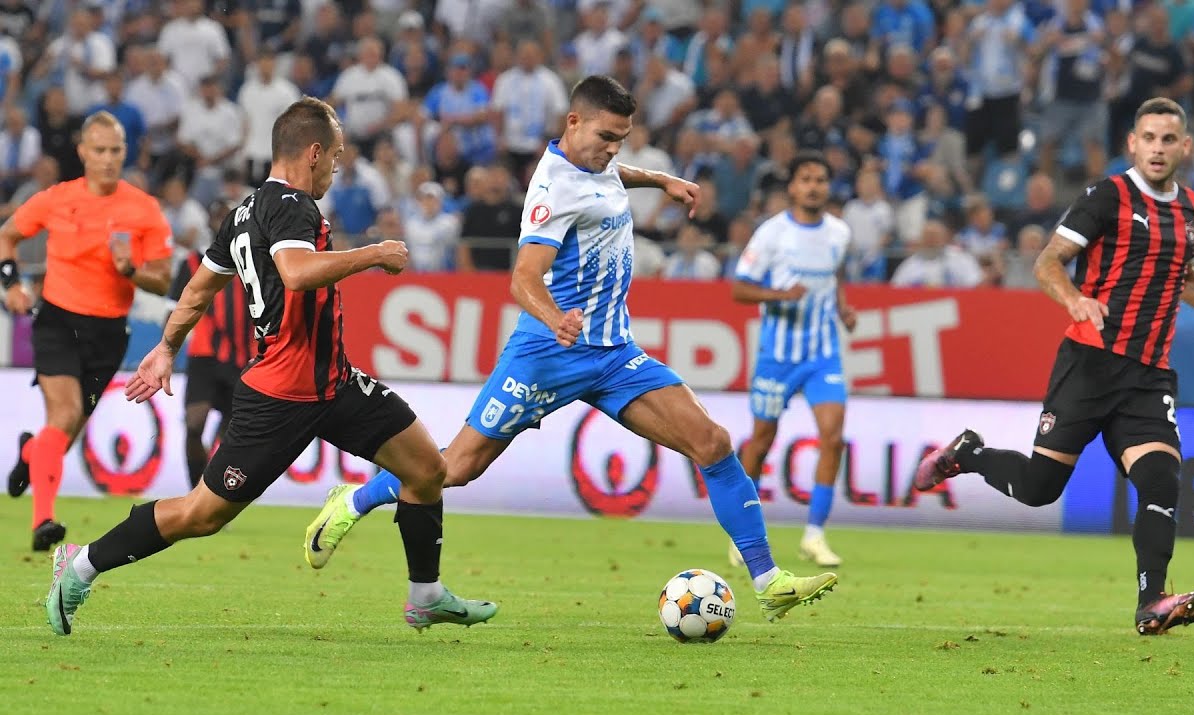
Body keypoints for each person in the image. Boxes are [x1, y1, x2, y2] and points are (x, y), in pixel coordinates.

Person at [305, 77, 838, 622]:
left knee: (713, 442)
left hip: (614, 354)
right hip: (547, 354)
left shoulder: (595, 162)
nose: (612, 149)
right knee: (453, 469)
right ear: (573, 123)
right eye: (606, 136)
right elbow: (522, 278)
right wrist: (556, 318)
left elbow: (610, 175)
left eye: (622, 139)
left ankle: (769, 581)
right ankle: (354, 500)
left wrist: (659, 179)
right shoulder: (553, 190)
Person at [41, 98, 496, 636]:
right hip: (280, 394)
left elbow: (200, 288)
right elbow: (298, 273)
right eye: (336, 156)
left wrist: (166, 347)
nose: (337, 167)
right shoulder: (293, 207)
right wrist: (373, 254)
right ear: (313, 151)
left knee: (426, 468)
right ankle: (81, 564)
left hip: (333, 381)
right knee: (200, 515)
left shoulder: (243, 212)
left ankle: (426, 595)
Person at [913, 98, 1194, 635]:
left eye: (1167, 139)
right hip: (1089, 365)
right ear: (1132, 143)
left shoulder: (1193, 211)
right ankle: (969, 455)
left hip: (1148, 375)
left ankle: (1152, 601)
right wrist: (1075, 300)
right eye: (1148, 138)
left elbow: (1184, 280)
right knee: (1040, 489)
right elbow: (1047, 262)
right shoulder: (1108, 196)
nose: (1157, 148)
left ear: (1185, 147)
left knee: (1161, 479)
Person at [1, 111, 172, 551]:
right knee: (62, 416)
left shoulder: (143, 209)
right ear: (82, 152)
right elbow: (7, 237)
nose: (108, 159)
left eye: (116, 150)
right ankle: (44, 522)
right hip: (58, 322)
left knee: (65, 432)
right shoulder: (56, 198)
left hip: (110, 333)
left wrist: (131, 269)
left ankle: (27, 454)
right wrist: (10, 285)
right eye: (99, 150)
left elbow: (162, 277)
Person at [729, 150, 857, 569]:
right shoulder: (771, 234)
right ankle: (741, 532)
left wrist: (843, 307)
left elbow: (834, 277)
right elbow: (740, 290)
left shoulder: (839, 233)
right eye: (806, 179)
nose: (814, 186)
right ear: (792, 187)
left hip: (823, 354)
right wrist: (780, 296)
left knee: (833, 437)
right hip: (776, 357)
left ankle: (814, 536)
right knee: (761, 441)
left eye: (821, 179)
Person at [167, 243, 255, 489]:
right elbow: (174, 309)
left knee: (232, 435)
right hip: (204, 356)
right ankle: (196, 489)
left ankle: (212, 493)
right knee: (194, 424)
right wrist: (167, 351)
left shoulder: (256, 259)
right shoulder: (193, 262)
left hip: (244, 358)